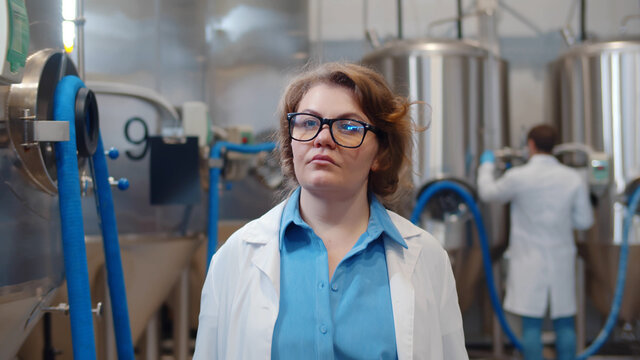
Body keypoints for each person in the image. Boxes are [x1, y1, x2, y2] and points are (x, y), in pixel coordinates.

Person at [193, 62, 468, 359]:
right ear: (290, 142)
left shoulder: (426, 258)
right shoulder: (235, 256)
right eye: (308, 123)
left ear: (381, 154)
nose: (322, 138)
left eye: (349, 127)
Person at [477, 124, 594, 360]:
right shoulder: (572, 178)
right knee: (564, 324)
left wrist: (486, 165)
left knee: (531, 326)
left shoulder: (519, 177)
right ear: (555, 147)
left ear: (531, 145)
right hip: (561, 259)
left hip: (528, 260)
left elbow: (488, 193)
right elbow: (584, 221)